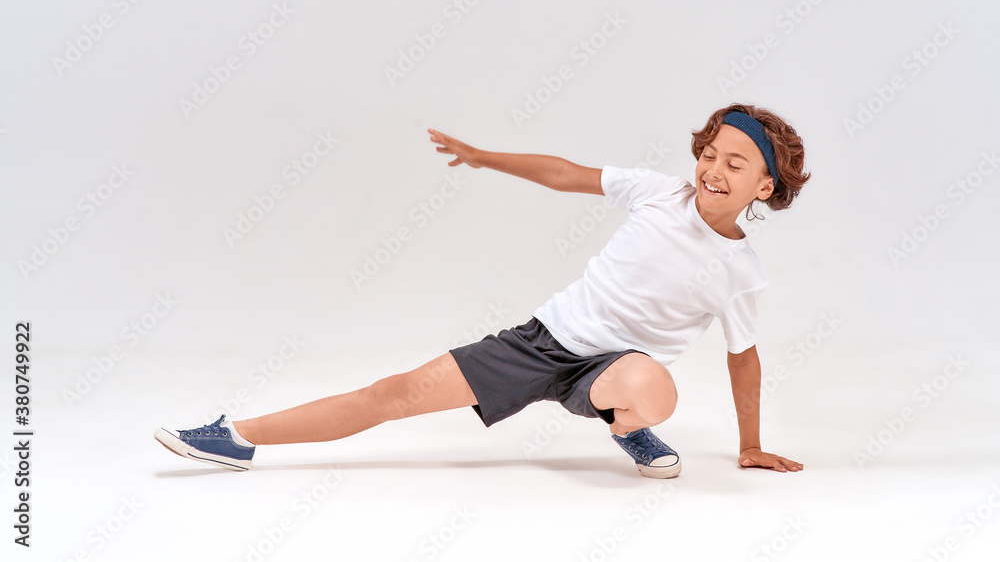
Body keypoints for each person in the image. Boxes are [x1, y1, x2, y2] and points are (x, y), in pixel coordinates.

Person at [155, 103, 809, 478]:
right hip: (537, 344)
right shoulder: (658, 191)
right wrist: (485, 156)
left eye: (734, 163)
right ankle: (236, 434)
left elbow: (742, 355)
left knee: (652, 389)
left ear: (765, 187)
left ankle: (625, 423)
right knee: (389, 395)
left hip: (612, 371)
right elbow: (563, 173)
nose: (711, 170)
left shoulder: (740, 271)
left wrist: (748, 443)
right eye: (709, 153)